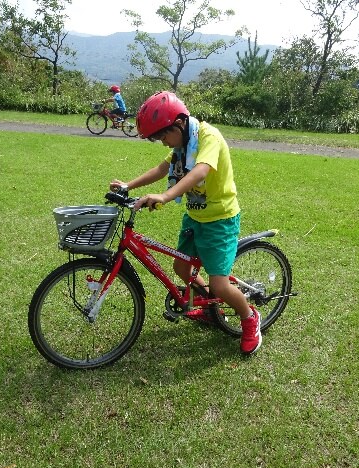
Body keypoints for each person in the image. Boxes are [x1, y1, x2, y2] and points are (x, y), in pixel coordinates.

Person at [109, 91, 261, 355]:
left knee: (220, 285)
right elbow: (161, 169)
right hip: (195, 216)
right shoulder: (182, 145)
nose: (163, 143)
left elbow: (202, 169)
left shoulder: (207, 137)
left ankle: (250, 318)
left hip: (220, 220)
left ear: (179, 124)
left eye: (163, 136)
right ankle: (209, 307)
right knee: (181, 268)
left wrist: (166, 196)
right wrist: (128, 185)